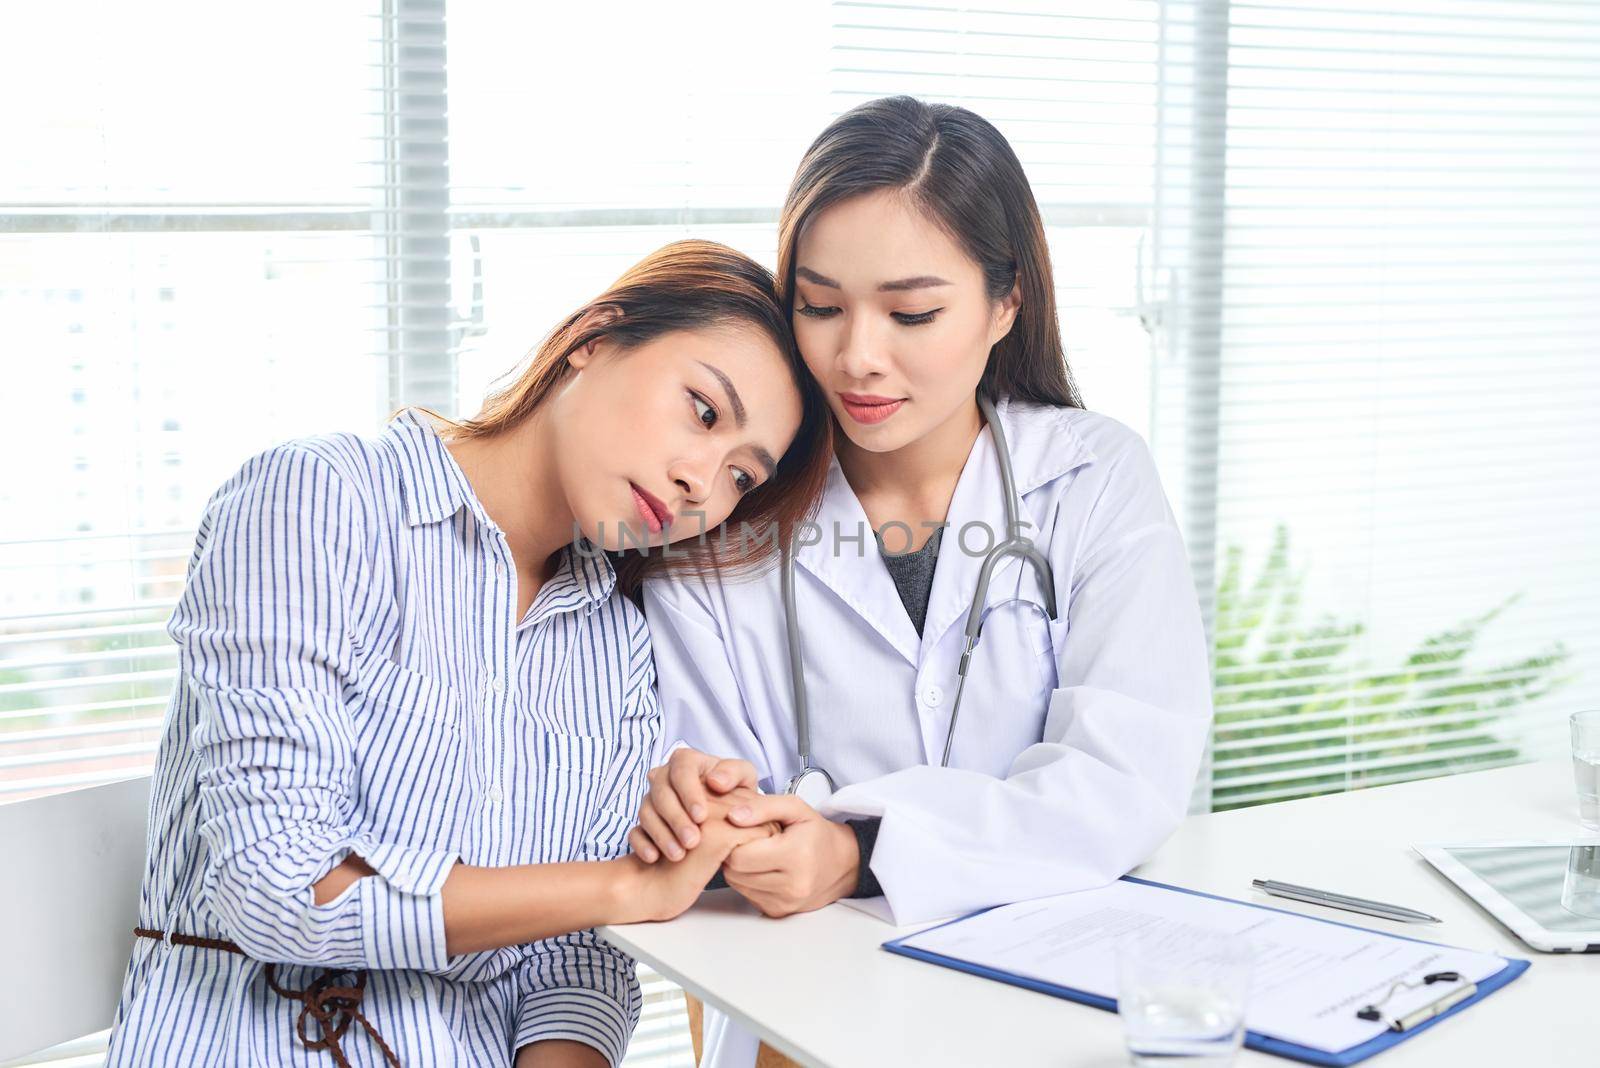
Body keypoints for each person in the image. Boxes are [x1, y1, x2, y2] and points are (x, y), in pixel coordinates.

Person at [106, 240, 833, 1068]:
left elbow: (575, 959)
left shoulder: (617, 640)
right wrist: (631, 888)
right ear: (593, 338)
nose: (702, 482)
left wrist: (678, 845)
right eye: (703, 411)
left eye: (742, 476)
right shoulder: (317, 501)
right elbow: (277, 887)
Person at [632, 98, 1214, 1068]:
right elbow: (705, 801)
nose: (856, 355)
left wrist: (856, 848)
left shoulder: (1092, 479)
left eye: (911, 313)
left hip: (1048, 1008)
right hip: (809, 1025)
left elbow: (1124, 776)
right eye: (818, 306)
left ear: (1005, 302)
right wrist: (741, 830)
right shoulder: (716, 512)